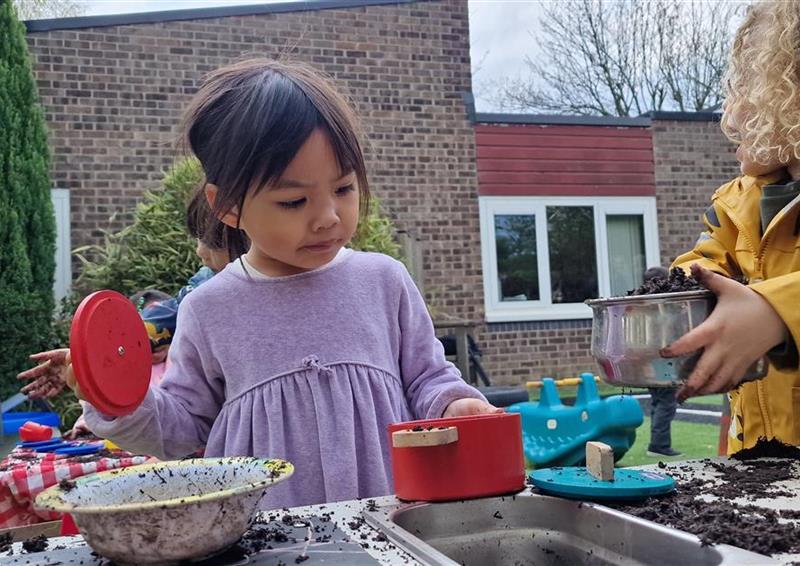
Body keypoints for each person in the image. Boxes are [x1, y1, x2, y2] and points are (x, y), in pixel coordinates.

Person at [21, 59, 499, 509]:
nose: (328, 217)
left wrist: (459, 404)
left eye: (343, 188)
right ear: (226, 205)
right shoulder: (209, 308)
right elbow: (183, 430)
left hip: (387, 519)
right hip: (262, 533)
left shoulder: (383, 280)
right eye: (293, 201)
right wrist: (110, 391)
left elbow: (428, 378)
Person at [663, 0, 800, 453]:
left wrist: (774, 310)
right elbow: (700, 266)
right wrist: (687, 295)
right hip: (763, 459)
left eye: (746, 86)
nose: (730, 112)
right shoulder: (737, 204)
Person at [640, 266, 681, 457]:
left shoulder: (643, 303)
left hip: (650, 358)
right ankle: (659, 446)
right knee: (666, 401)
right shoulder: (661, 306)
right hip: (662, 358)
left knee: (658, 401)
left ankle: (657, 444)